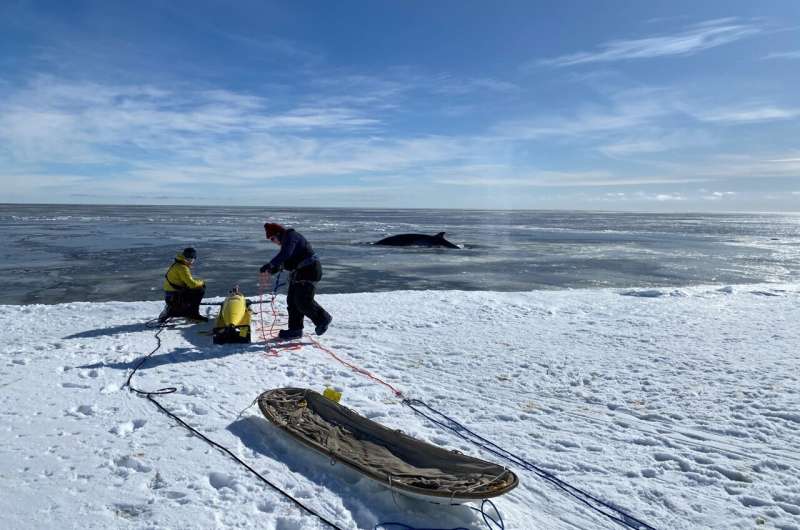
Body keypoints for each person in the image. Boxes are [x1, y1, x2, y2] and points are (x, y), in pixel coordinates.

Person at [260, 222, 332, 339]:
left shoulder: (291, 237)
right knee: (292, 302)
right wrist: (273, 269)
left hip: (310, 271)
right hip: (299, 273)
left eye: (272, 239)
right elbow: (287, 260)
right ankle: (295, 330)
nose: (273, 242)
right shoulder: (287, 241)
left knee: (303, 301)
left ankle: (323, 319)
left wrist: (271, 264)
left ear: (278, 234)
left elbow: (286, 254)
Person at [159, 247, 208, 323]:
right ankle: (193, 314)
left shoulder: (177, 264)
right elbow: (192, 284)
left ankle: (189, 311)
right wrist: (201, 282)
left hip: (171, 292)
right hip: (175, 294)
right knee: (200, 290)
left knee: (197, 289)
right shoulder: (182, 267)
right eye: (189, 258)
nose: (191, 260)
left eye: (192, 258)